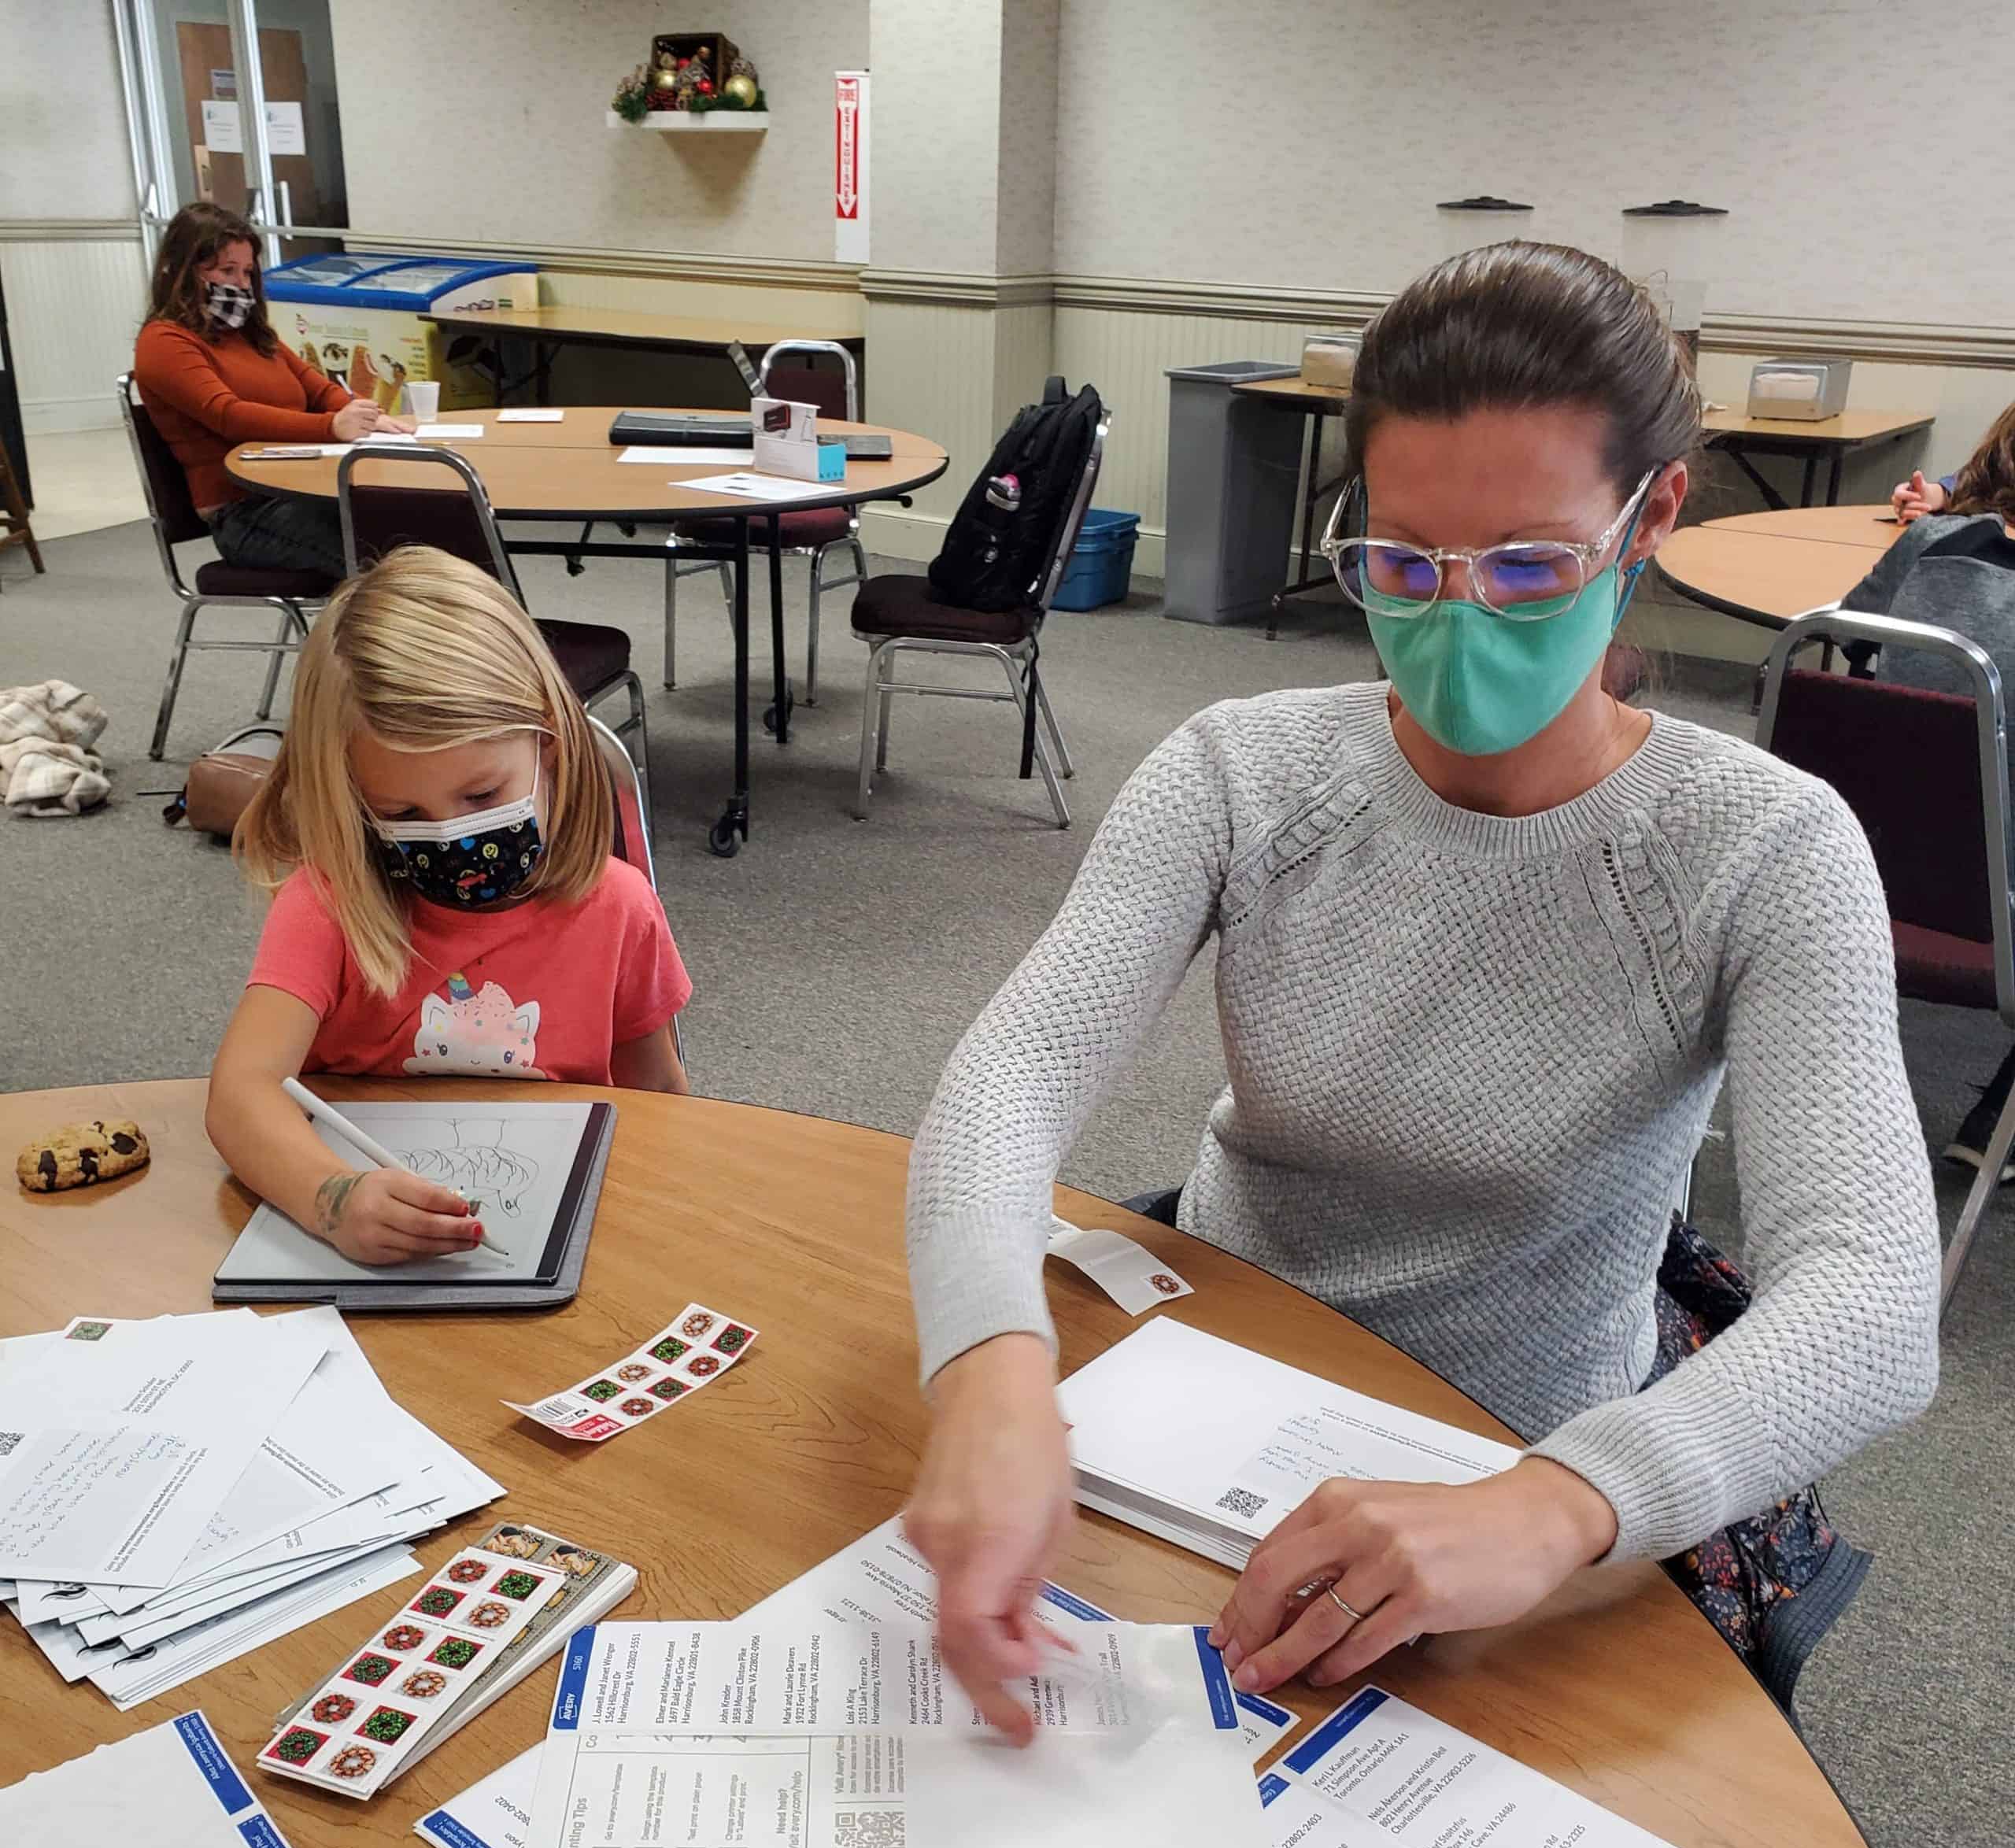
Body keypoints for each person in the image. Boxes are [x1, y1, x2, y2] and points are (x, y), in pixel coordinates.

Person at [901, 242, 1940, 1741]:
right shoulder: (1245, 770)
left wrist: (1561, 1501)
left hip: (1522, 1438)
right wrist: (992, 1368)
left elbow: (1873, 1296)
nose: (1458, 618)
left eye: (1527, 566)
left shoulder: (1764, 845)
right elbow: (1014, 1075)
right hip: (1220, 1379)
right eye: (1401, 564)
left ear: (1651, 516)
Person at [208, 547, 691, 1266]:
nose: (452, 837)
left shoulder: (618, 907)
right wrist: (333, 1199)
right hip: (349, 1256)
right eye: (401, 811)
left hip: (554, 1237)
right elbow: (239, 1093)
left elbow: (660, 1101)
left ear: (548, 745)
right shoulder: (329, 905)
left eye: (482, 795)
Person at [1847, 399, 2015, 1178]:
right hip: (1998, 906)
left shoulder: (1928, 544)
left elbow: (1850, 633)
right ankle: (1998, 1118)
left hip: (1866, 869)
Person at [132, 201, 414, 578]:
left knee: (422, 528)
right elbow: (228, 415)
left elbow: (318, 389)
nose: (241, 284)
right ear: (183, 271)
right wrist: (332, 427)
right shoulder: (164, 341)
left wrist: (365, 415)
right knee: (391, 565)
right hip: (245, 512)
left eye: (248, 272)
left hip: (302, 487)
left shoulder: (251, 335)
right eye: (226, 270)